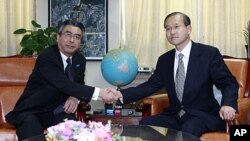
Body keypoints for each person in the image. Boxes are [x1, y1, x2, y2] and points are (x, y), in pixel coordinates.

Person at [111, 12, 239, 137]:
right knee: (145, 125)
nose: (172, 32)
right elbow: (150, 86)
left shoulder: (208, 54)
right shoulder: (165, 60)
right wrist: (121, 95)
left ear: (189, 29)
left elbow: (228, 82)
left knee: (189, 129)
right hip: (175, 115)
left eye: (176, 27)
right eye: (168, 28)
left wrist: (228, 104)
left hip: (201, 115)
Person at [5, 20, 118, 140]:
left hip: (55, 113)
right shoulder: (47, 57)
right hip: (32, 111)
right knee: (32, 127)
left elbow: (78, 83)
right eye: (68, 35)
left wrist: (75, 97)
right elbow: (64, 84)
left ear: (80, 42)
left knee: (74, 127)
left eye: (77, 37)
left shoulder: (80, 60)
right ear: (58, 37)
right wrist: (100, 93)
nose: (72, 40)